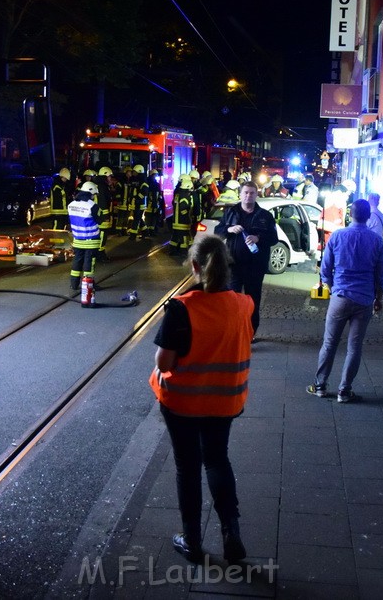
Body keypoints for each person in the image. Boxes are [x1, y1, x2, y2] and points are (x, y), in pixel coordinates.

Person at [149, 234, 254, 564]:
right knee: (217, 460)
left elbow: (164, 363)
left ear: (195, 267)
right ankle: (231, 533)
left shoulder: (183, 308)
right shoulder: (244, 305)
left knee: (188, 467)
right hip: (225, 402)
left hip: (182, 404)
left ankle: (192, 541)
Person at [308, 199, 383, 402]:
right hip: (364, 298)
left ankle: (320, 385)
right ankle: (345, 390)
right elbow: (381, 274)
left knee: (329, 343)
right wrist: (378, 298)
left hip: (341, 296)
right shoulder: (377, 241)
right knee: (355, 347)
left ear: (350, 215)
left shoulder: (338, 236)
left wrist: (333, 287)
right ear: (369, 216)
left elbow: (325, 268)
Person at [215, 181, 278, 336]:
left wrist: (258, 238)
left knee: (252, 301)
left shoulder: (265, 216)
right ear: (240, 194)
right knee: (232, 300)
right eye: (245, 192)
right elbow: (218, 231)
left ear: (256, 195)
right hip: (233, 265)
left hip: (255, 267)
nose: (248, 196)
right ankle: (232, 331)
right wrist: (228, 229)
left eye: (252, 193)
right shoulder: (230, 213)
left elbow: (274, 238)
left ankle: (250, 332)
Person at [67, 181, 101, 290]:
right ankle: (88, 284)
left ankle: (74, 284)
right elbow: (100, 220)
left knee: (77, 260)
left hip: (77, 239)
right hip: (91, 240)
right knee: (89, 263)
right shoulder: (92, 206)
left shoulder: (71, 205)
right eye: (94, 195)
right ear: (91, 194)